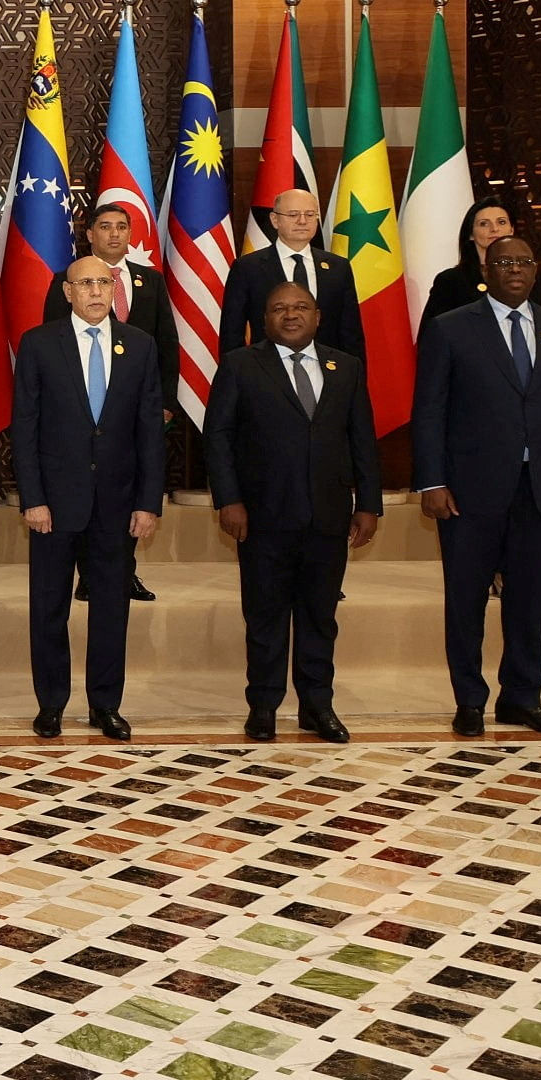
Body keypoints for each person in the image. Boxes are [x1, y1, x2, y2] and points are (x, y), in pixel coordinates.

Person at [412, 235, 541, 738]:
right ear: (486, 269)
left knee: (530, 601)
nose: (513, 269)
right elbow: (429, 412)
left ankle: (522, 698)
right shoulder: (451, 329)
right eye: (503, 262)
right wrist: (432, 481)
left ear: (535, 271)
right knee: (466, 600)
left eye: (522, 261)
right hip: (468, 492)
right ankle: (470, 701)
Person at [204, 282, 380, 744]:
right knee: (265, 615)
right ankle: (263, 705)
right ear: (264, 320)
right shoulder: (241, 365)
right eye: (279, 308)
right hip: (262, 516)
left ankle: (317, 705)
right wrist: (229, 499)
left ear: (318, 316)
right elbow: (218, 437)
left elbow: (362, 439)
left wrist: (370, 505)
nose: (290, 314)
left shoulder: (346, 367)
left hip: (329, 515)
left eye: (300, 307)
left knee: (320, 616)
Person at [13, 256, 166, 740]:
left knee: (111, 610)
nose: (96, 291)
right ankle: (51, 704)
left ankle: (105, 705)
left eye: (104, 281)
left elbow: (149, 432)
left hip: (118, 506)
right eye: (86, 283)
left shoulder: (140, 346)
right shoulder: (39, 344)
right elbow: (26, 429)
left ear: (115, 286)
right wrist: (33, 499)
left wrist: (148, 502)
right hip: (55, 505)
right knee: (49, 608)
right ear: (67, 291)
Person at [42, 201, 175, 601]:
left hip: (132, 414)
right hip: (78, 416)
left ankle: (122, 571)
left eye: (122, 226)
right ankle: (86, 572)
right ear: (90, 234)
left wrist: (164, 400)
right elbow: (52, 346)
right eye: (105, 226)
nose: (115, 234)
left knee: (126, 492)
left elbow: (166, 343)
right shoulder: (66, 280)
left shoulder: (150, 281)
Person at [221, 190, 364, 357]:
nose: (302, 221)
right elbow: (232, 333)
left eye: (310, 214)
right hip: (266, 372)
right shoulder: (248, 268)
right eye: (293, 214)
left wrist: (355, 379)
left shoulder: (338, 268)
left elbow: (351, 333)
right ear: (275, 220)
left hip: (327, 371)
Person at [417, 199, 514, 332]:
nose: (494, 229)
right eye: (484, 224)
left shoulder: (528, 276)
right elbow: (432, 334)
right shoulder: (450, 281)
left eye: (501, 222)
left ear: (511, 230)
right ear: (470, 234)